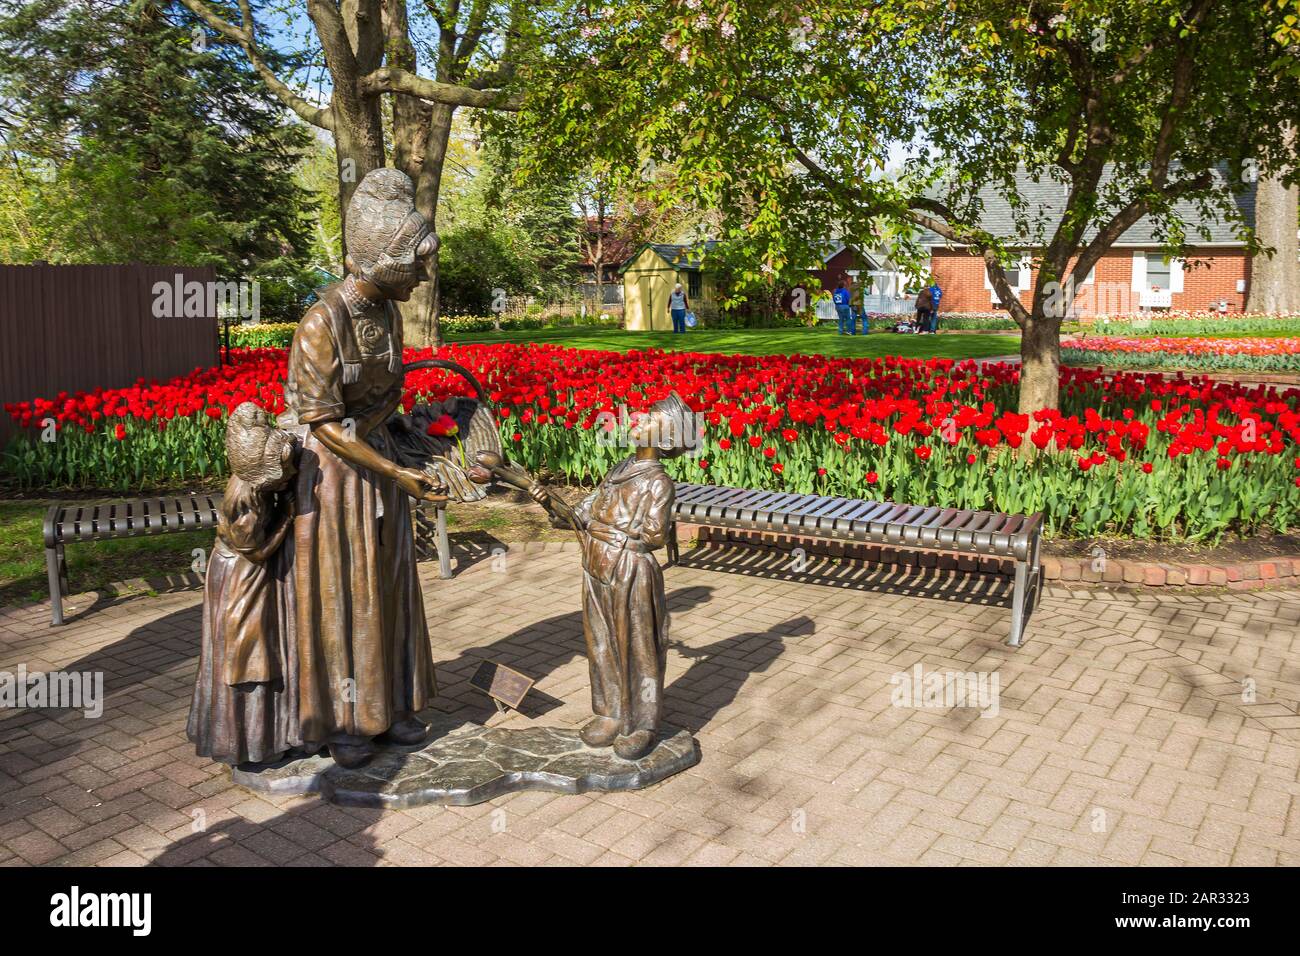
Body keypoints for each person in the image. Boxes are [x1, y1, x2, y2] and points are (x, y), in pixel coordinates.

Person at [276, 168, 445, 769]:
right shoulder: (323, 322)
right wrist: (397, 474)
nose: (425, 274)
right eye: (418, 261)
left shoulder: (389, 316)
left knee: (389, 587)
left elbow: (384, 404)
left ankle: (392, 705)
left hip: (380, 467)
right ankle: (345, 718)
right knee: (344, 595)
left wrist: (422, 441)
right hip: (332, 482)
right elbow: (322, 425)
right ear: (388, 257)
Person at [530, 392, 692, 760]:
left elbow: (654, 536)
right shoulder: (619, 470)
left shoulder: (657, 483)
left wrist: (605, 530)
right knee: (600, 642)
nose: (639, 421)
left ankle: (642, 724)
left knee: (638, 650)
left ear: (665, 438)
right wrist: (547, 500)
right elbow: (579, 513)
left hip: (630, 569)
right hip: (596, 563)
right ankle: (610, 714)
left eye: (650, 420)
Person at [189, 402, 298, 766]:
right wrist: (286, 519)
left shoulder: (247, 482)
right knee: (248, 652)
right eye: (285, 474)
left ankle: (252, 738)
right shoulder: (248, 508)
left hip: (236, 571)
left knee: (246, 649)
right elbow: (257, 553)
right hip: (242, 577)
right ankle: (248, 743)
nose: (291, 476)